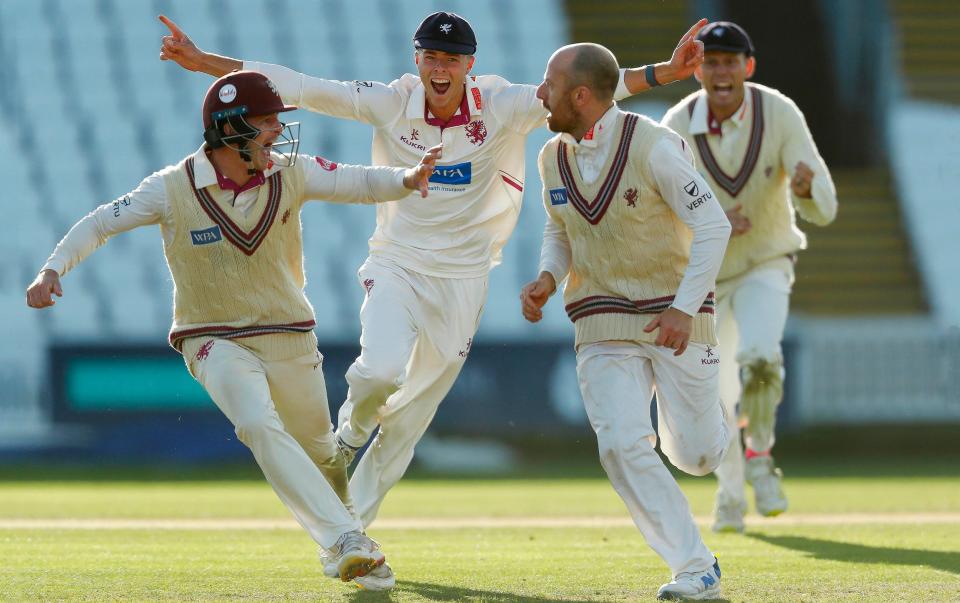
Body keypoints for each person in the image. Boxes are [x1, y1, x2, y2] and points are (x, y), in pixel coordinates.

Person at [158, 9, 706, 534]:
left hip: (466, 276)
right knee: (379, 372)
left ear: (470, 64)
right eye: (430, 57)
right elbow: (296, 86)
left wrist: (665, 71)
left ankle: (353, 529)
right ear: (416, 60)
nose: (439, 69)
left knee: (409, 418)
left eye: (451, 58)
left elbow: (594, 93)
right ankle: (348, 433)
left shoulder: (502, 104)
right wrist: (205, 61)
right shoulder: (392, 102)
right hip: (398, 261)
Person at [25, 70, 438, 590]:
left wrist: (407, 177)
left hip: (287, 333)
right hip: (210, 336)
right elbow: (103, 221)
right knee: (257, 424)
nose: (276, 133)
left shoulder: (292, 173)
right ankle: (344, 541)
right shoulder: (171, 188)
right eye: (266, 122)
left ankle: (355, 541)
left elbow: (356, 181)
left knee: (322, 455)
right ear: (229, 128)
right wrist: (53, 267)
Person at [521, 43, 732, 600]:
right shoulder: (550, 157)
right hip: (602, 316)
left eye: (549, 84)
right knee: (618, 443)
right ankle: (695, 566)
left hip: (675, 312)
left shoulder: (655, 146)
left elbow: (713, 227)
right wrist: (547, 276)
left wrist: (685, 309)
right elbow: (560, 227)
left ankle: (707, 424)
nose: (540, 93)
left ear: (581, 95)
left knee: (698, 456)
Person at [662, 22, 837, 533]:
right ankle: (730, 495)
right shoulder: (676, 123)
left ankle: (760, 459)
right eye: (710, 62)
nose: (720, 72)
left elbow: (823, 209)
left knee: (760, 361)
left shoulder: (779, 113)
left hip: (765, 262)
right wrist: (712, 217)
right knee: (716, 396)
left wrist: (805, 189)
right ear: (697, 70)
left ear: (748, 67)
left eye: (729, 61)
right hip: (705, 280)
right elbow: (662, 206)